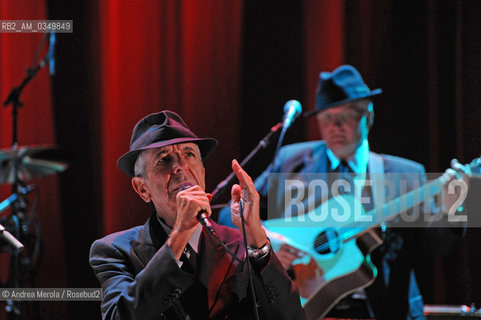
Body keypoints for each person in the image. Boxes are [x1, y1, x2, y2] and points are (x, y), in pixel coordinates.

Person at [218, 65, 470, 320]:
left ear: (368, 117)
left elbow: (439, 244)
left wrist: (456, 206)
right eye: (327, 117)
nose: (335, 126)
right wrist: (269, 243)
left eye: (346, 116)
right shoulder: (292, 161)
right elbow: (231, 216)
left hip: (384, 310)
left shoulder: (403, 174)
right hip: (305, 307)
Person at [89, 110, 304, 320]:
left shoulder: (240, 244)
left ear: (202, 172)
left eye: (188, 155)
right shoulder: (114, 250)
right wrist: (180, 234)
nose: (180, 167)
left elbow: (291, 316)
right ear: (142, 189)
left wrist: (256, 236)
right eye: (164, 160)